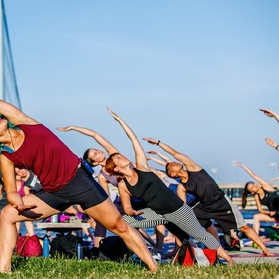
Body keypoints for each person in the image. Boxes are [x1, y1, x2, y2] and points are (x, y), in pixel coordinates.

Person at [0, 62, 158, 273]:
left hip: (79, 180)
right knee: (7, 214)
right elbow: (11, 190)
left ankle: (153, 267)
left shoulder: (23, 122)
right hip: (53, 193)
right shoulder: (7, 157)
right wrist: (17, 202)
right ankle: (4, 268)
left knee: (119, 226)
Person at [104, 108, 234, 265]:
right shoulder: (123, 185)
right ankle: (143, 254)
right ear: (116, 168)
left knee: (200, 235)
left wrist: (119, 120)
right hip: (157, 213)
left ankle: (228, 259)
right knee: (124, 221)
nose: (123, 156)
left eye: (121, 155)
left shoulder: (142, 167)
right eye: (119, 158)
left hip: (178, 210)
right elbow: (126, 208)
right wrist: (132, 211)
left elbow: (134, 140)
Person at [144, 137, 273, 256]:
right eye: (171, 166)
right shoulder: (181, 187)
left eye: (173, 163)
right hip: (203, 206)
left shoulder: (193, 168)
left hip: (221, 202)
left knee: (243, 226)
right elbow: (183, 206)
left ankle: (265, 250)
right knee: (185, 225)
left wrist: (158, 143)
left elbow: (174, 153)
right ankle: (196, 250)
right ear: (173, 175)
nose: (174, 163)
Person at [57, 125, 167, 251]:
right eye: (95, 153)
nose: (98, 151)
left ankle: (158, 246)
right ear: (94, 162)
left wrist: (73, 128)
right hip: (129, 202)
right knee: (103, 220)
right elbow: (106, 198)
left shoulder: (115, 157)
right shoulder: (102, 176)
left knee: (159, 217)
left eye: (96, 149)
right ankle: (97, 250)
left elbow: (95, 134)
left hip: (145, 192)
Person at [235, 161, 279, 235]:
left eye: (254, 184)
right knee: (256, 217)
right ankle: (256, 239)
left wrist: (242, 165)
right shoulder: (256, 196)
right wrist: (269, 213)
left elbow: (254, 175)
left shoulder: (266, 187)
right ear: (252, 192)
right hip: (274, 216)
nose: (255, 186)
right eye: (253, 187)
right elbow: (260, 209)